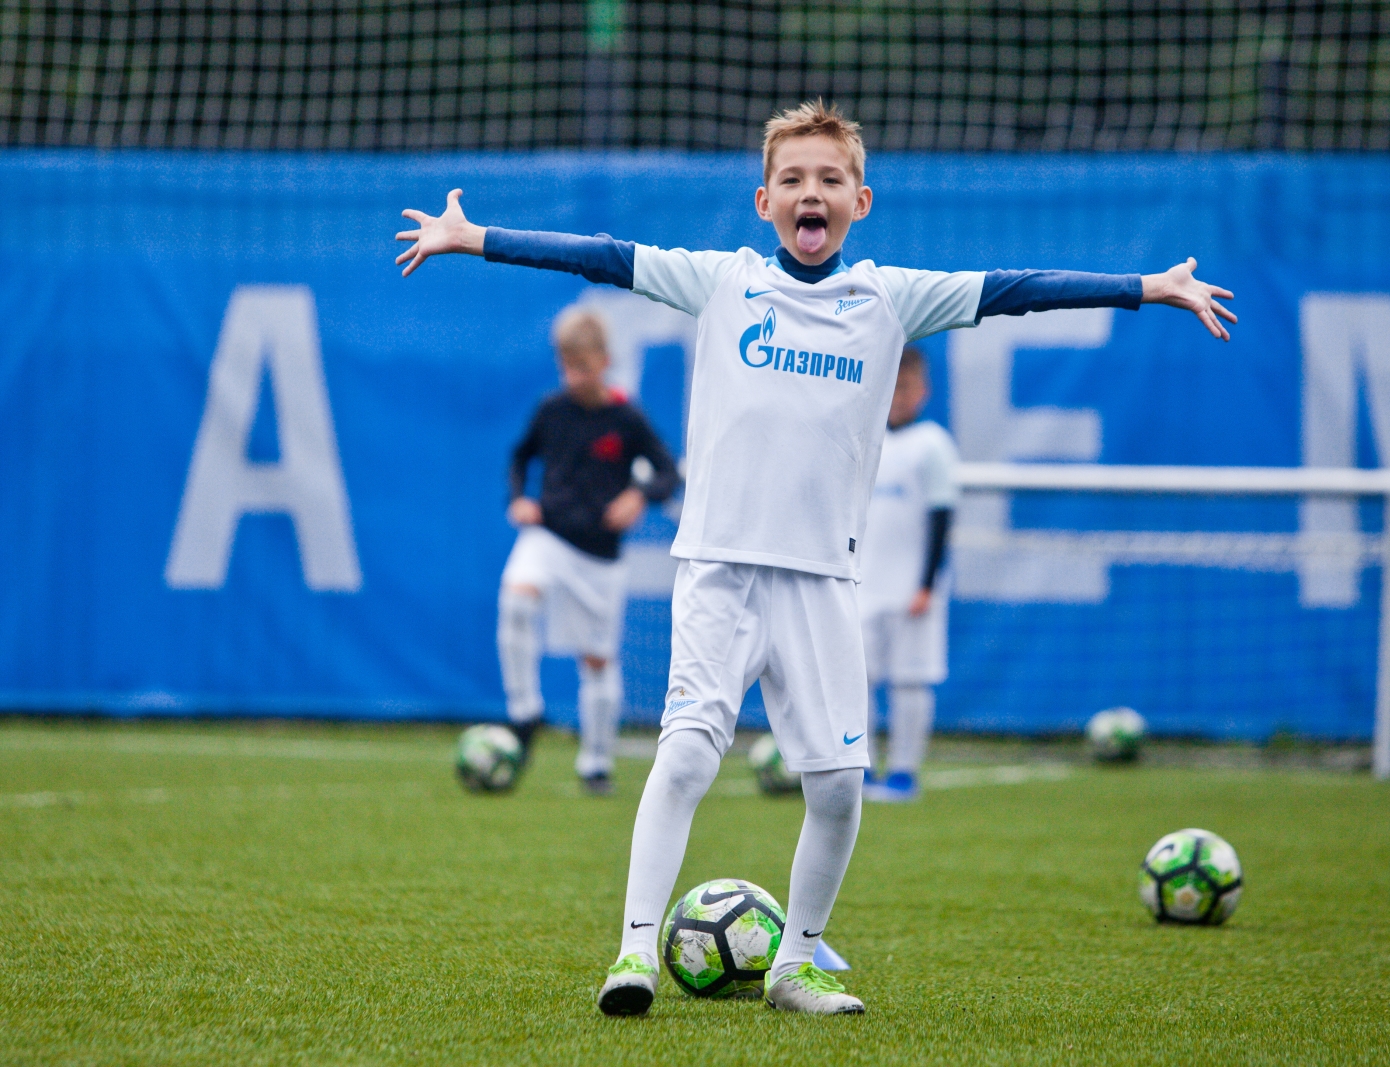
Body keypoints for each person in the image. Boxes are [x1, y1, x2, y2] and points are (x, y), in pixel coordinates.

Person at [395, 100, 1234, 1017]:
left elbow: (1019, 287)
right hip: (718, 568)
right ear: (764, 200)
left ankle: (794, 965)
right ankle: (633, 955)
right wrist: (475, 238)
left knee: (836, 787)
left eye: (830, 179)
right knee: (685, 759)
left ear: (859, 202)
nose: (811, 191)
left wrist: (1147, 287)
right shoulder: (722, 280)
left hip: (824, 581)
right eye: (792, 178)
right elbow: (600, 256)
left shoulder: (890, 297)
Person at [498, 307, 680, 796]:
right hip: (550, 536)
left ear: (604, 360)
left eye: (581, 365)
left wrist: (638, 495)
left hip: (600, 556)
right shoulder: (552, 410)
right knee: (517, 599)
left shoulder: (626, 417)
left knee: (598, 661)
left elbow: (667, 472)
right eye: (565, 365)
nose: (573, 376)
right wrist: (517, 499)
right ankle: (524, 713)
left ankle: (596, 763)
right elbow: (520, 456)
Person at [856, 345, 959, 803]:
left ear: (923, 391)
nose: (898, 396)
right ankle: (859, 769)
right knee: (856, 680)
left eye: (907, 387)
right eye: (892, 386)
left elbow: (942, 516)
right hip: (863, 584)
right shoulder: (864, 438)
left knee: (909, 680)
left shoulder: (933, 444)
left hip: (912, 589)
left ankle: (903, 773)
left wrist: (927, 584)